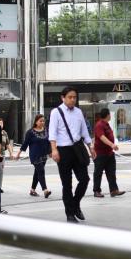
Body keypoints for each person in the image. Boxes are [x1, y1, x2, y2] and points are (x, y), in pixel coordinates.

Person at [49, 86, 96, 223]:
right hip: (63, 151)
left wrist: (90, 147)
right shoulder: (56, 112)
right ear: (63, 98)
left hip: (78, 149)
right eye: (70, 97)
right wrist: (54, 150)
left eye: (74, 97)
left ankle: (75, 204)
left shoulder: (79, 112)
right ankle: (70, 213)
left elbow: (84, 132)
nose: (73, 100)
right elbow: (52, 133)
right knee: (67, 184)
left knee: (84, 179)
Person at [16, 114, 52, 198]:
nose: (42, 122)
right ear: (36, 122)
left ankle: (32, 190)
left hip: (44, 155)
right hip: (35, 155)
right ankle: (45, 190)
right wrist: (18, 154)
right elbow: (25, 144)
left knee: (37, 172)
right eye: (40, 121)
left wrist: (50, 152)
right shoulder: (30, 132)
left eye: (43, 121)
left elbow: (48, 142)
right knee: (41, 171)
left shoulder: (46, 130)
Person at [93, 108, 125, 198]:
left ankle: (114, 190)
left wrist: (112, 146)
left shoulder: (106, 124)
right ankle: (96, 191)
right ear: (107, 115)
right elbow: (102, 137)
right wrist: (112, 145)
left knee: (111, 172)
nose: (110, 116)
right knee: (98, 173)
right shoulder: (99, 125)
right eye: (109, 114)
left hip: (109, 153)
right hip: (100, 153)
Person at [0, 118, 15, 193]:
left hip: (2, 155)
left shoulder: (4, 133)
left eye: (2, 123)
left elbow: (7, 144)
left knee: (0, 171)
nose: (0, 124)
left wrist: (11, 153)